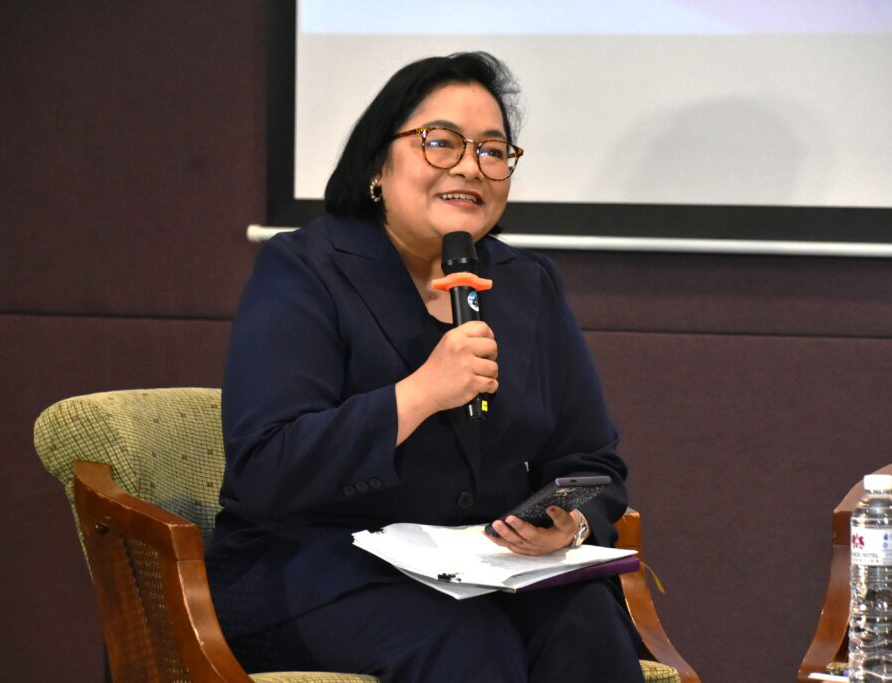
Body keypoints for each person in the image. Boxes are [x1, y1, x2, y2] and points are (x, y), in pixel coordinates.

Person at [205, 51, 644, 683]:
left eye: (493, 151)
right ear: (376, 165)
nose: (469, 166)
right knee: (469, 645)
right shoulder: (304, 270)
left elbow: (592, 460)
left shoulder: (528, 284)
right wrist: (419, 393)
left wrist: (568, 523)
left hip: (483, 567)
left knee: (588, 624)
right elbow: (267, 467)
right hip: (315, 568)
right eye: (441, 142)